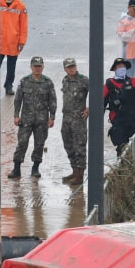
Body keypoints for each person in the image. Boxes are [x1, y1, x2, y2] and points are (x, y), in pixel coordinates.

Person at [9, 57, 57, 180]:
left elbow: (52, 100)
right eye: (35, 66)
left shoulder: (48, 82)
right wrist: (16, 115)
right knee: (22, 143)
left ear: (43, 67)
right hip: (26, 119)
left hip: (42, 120)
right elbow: (18, 99)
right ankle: (17, 168)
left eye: (39, 66)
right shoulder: (24, 81)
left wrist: (52, 117)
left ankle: (35, 168)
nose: (37, 68)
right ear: (31, 67)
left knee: (39, 144)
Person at [59, 57, 88, 185]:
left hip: (78, 119)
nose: (72, 69)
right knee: (68, 145)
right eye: (69, 67)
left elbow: (97, 93)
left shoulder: (83, 80)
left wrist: (89, 108)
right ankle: (74, 171)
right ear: (65, 69)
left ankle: (80, 176)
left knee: (79, 147)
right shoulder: (65, 80)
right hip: (66, 119)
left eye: (73, 66)